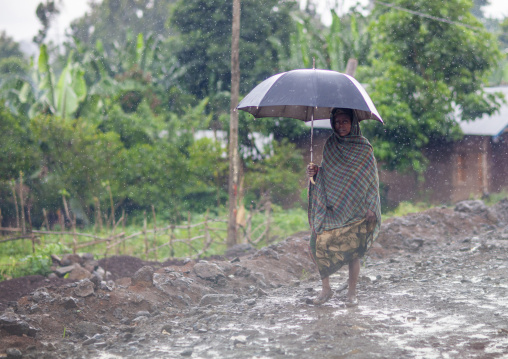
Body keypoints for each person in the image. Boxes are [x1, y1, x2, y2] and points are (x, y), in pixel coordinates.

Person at [306, 107, 381, 306]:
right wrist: (315, 172)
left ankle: (352, 293)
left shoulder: (364, 147)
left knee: (353, 252)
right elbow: (328, 176)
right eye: (337, 122)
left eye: (345, 121)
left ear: (353, 122)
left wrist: (372, 206)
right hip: (332, 207)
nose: (341, 126)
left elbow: (372, 180)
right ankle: (326, 289)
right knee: (315, 244)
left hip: (357, 209)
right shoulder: (331, 145)